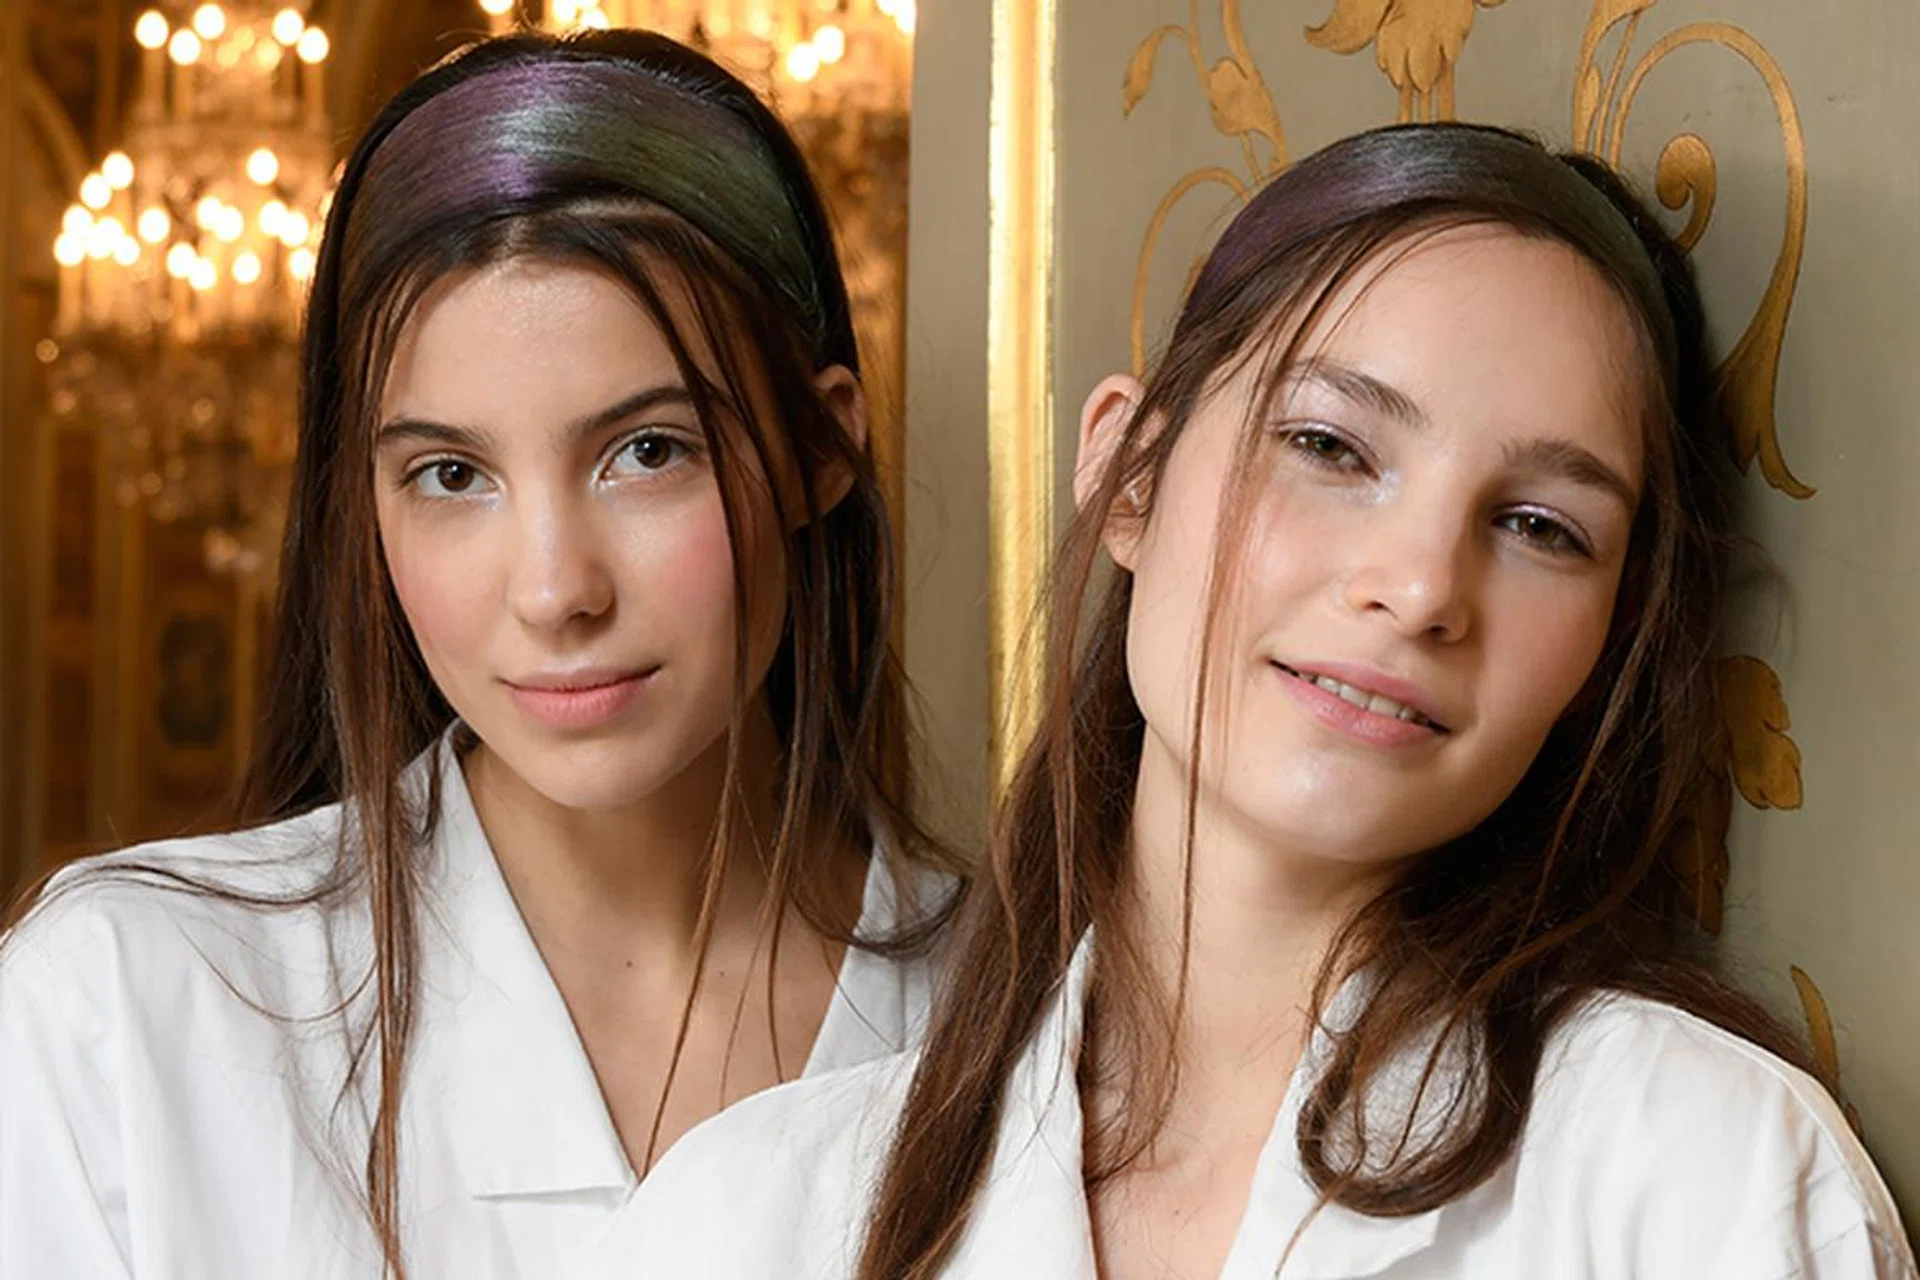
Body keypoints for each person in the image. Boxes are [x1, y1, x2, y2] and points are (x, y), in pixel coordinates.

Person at [594, 124, 1916, 1278]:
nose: (1420, 587)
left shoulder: (1704, 1174)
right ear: (1129, 470)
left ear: (1607, 644)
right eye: (1330, 447)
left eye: (1539, 526)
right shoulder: (750, 1215)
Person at [0, 28, 955, 1280]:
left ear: (820, 449)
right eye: (452, 474)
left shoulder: (1034, 1021)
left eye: (648, 451)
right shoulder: (126, 1009)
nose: (554, 591)